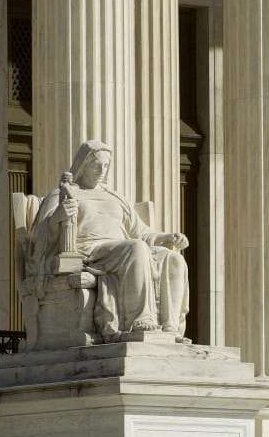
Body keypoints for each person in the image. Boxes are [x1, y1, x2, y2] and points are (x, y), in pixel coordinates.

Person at [28, 140, 190, 342]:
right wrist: (58, 216)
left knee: (173, 259)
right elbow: (38, 237)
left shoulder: (115, 197)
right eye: (97, 165)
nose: (102, 170)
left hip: (123, 249)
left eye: (106, 165)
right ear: (83, 165)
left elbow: (141, 233)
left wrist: (166, 238)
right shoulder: (64, 193)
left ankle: (170, 327)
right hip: (91, 252)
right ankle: (138, 321)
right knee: (136, 249)